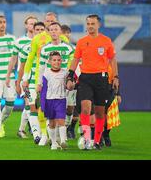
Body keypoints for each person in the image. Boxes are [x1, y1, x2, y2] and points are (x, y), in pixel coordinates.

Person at [68, 14, 119, 150]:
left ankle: (96, 141)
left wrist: (116, 77)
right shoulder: (81, 41)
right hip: (85, 78)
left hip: (101, 79)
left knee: (100, 112)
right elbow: (76, 59)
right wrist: (70, 74)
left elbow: (113, 59)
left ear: (98, 25)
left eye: (93, 24)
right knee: (85, 108)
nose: (90, 26)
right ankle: (86, 138)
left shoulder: (106, 41)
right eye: (88, 24)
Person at [22, 12, 70, 146]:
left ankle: (60, 136)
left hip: (61, 80)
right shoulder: (37, 39)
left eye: (52, 21)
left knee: (62, 109)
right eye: (48, 21)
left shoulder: (64, 40)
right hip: (39, 79)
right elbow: (30, 59)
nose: (49, 24)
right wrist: (25, 77)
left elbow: (69, 59)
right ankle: (43, 134)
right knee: (39, 107)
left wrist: (69, 77)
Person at [36, 51, 74, 150]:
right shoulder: (46, 73)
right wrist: (42, 104)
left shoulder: (65, 73)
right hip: (49, 101)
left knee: (61, 120)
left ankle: (62, 141)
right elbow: (44, 90)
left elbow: (70, 85)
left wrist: (71, 86)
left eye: (58, 60)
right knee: (52, 123)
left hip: (61, 100)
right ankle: (53, 143)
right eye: (54, 60)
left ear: (61, 61)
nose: (56, 62)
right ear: (49, 61)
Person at [15, 22, 46, 143]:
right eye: (37, 29)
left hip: (43, 83)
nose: (39, 31)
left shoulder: (48, 47)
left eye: (41, 29)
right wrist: (19, 82)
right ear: (33, 31)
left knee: (43, 109)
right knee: (30, 106)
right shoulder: (26, 48)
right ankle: (37, 135)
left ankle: (43, 134)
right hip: (29, 83)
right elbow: (22, 67)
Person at [11, 15, 38, 139]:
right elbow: (15, 60)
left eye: (34, 23)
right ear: (26, 25)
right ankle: (35, 131)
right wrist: (13, 78)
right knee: (28, 103)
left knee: (33, 105)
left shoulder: (42, 42)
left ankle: (22, 129)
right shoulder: (19, 41)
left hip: (38, 79)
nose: (32, 25)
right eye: (30, 23)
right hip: (25, 79)